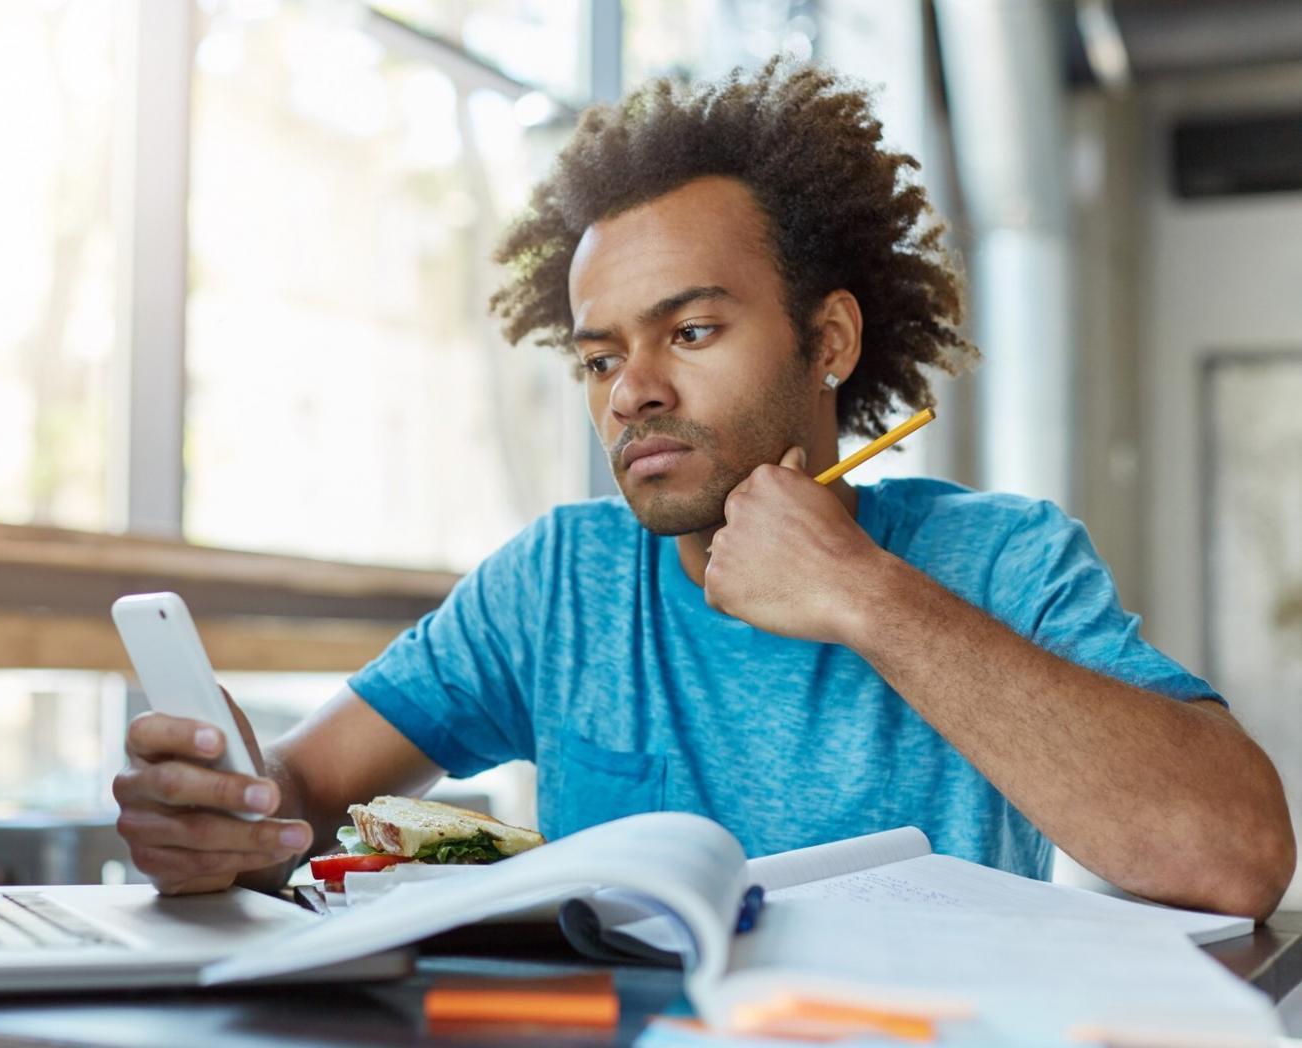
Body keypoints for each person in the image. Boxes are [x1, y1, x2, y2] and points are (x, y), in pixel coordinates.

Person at [112, 61, 1293, 918]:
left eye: (688, 329)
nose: (629, 391)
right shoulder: (558, 580)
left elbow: (1233, 857)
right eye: (596, 356)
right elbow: (306, 789)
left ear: (825, 341)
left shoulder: (1002, 559)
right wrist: (221, 810)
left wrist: (865, 595)